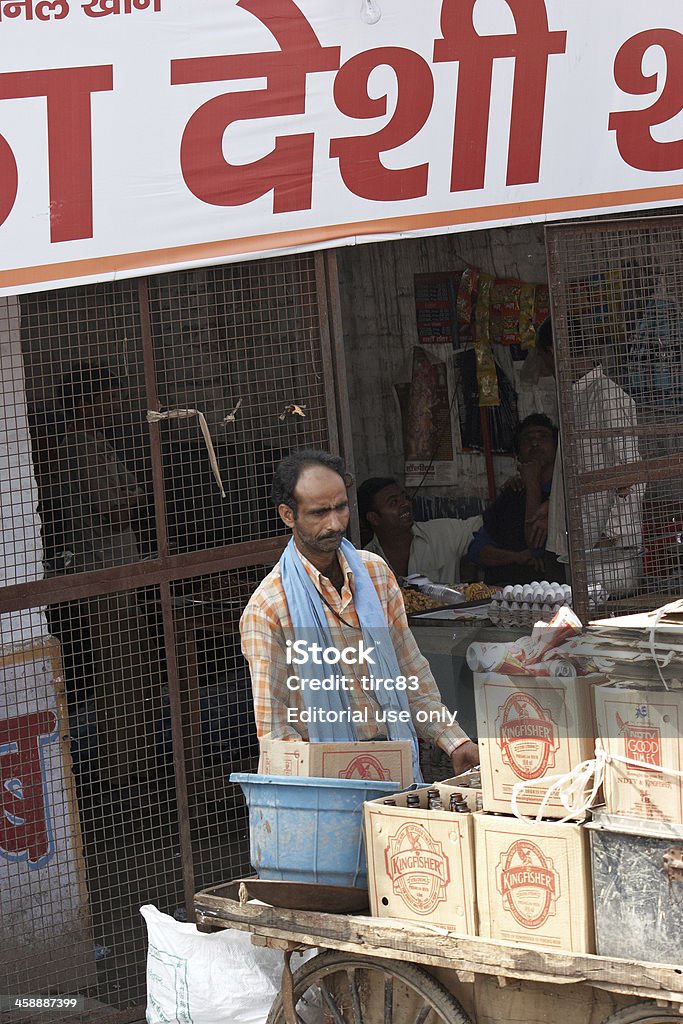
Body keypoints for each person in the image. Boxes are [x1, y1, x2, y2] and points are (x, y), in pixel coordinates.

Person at [240, 449, 479, 781]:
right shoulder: (268, 609)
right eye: (319, 513)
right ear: (287, 515)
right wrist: (329, 790)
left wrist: (455, 742)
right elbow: (276, 730)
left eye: (341, 507)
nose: (335, 524)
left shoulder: (376, 575)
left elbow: (410, 676)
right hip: (325, 783)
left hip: (395, 766)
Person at [50, 363, 153, 789]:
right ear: (84, 403)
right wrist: (136, 496)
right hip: (102, 571)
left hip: (117, 570)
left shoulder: (95, 442)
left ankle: (135, 764)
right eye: (108, 397)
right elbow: (118, 511)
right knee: (119, 672)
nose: (116, 405)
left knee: (133, 668)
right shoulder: (79, 446)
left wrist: (133, 496)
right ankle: (121, 774)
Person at [467, 414, 566, 585]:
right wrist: (517, 557)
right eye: (527, 439)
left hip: (547, 593)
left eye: (542, 437)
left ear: (556, 447)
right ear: (518, 454)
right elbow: (477, 551)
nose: (535, 443)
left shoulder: (563, 495)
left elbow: (535, 545)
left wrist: (533, 483)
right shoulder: (512, 493)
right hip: (502, 592)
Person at [358, 477, 482, 583]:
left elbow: (483, 524)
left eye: (405, 497)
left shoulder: (442, 533)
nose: (405, 504)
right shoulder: (366, 561)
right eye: (394, 502)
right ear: (374, 518)